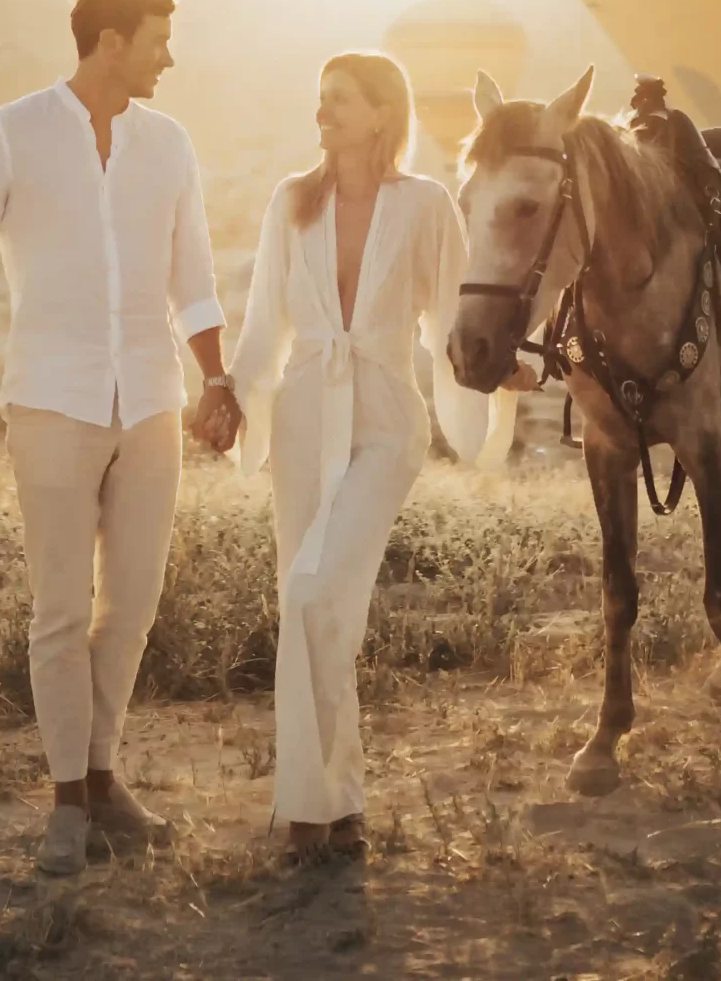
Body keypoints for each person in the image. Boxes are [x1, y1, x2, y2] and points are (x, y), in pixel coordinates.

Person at [0, 0, 235, 875]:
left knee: (132, 606)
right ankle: (69, 799)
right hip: (51, 401)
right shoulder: (13, 131)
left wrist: (217, 375)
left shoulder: (169, 144)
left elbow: (196, 279)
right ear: (110, 42)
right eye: (157, 40)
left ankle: (103, 777)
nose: (169, 57)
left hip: (148, 399)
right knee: (61, 608)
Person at [188, 52, 500, 861]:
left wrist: (505, 371)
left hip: (387, 421)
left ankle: (306, 808)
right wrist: (229, 391)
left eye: (339, 100)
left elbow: (455, 321)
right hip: (299, 419)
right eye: (320, 98)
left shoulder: (427, 206)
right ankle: (336, 805)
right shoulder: (291, 202)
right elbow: (264, 323)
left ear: (381, 116)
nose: (322, 111)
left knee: (311, 592)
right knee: (322, 608)